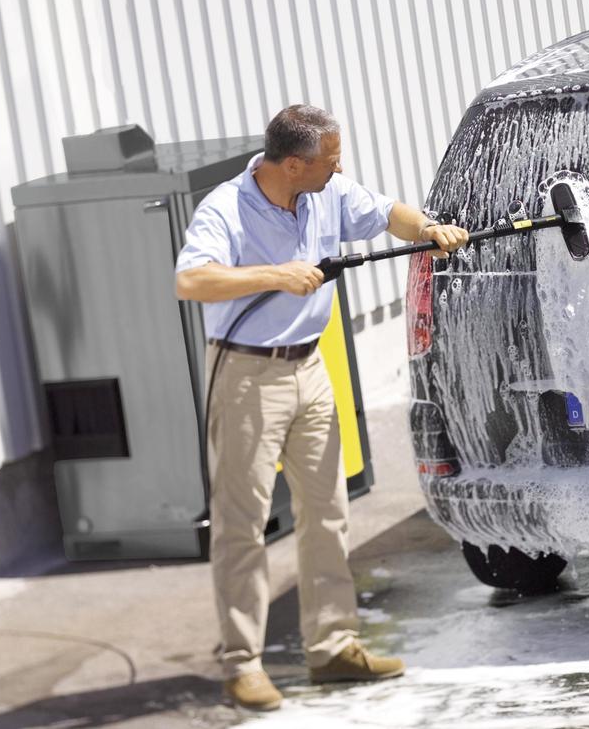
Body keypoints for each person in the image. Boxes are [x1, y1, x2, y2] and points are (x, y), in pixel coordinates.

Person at [175, 104, 468, 711]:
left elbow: (387, 213)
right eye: (330, 160)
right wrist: (273, 275)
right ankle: (242, 664)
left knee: (327, 511)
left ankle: (333, 647)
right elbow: (192, 281)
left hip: (309, 369)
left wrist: (429, 229)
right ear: (291, 164)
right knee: (242, 525)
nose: (341, 169)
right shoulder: (226, 207)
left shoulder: (327, 190)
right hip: (246, 373)